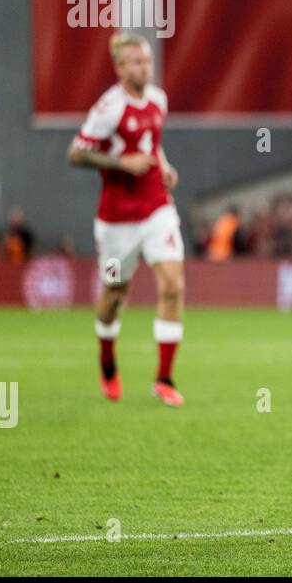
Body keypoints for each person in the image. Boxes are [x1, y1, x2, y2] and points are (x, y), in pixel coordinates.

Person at [67, 33, 185, 407]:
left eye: (147, 61)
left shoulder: (158, 99)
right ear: (119, 68)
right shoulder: (109, 108)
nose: (144, 67)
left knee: (172, 286)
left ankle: (164, 379)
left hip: (156, 210)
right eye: (135, 62)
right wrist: (121, 163)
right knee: (115, 295)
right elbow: (75, 154)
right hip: (117, 222)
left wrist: (163, 167)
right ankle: (106, 355)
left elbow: (152, 142)